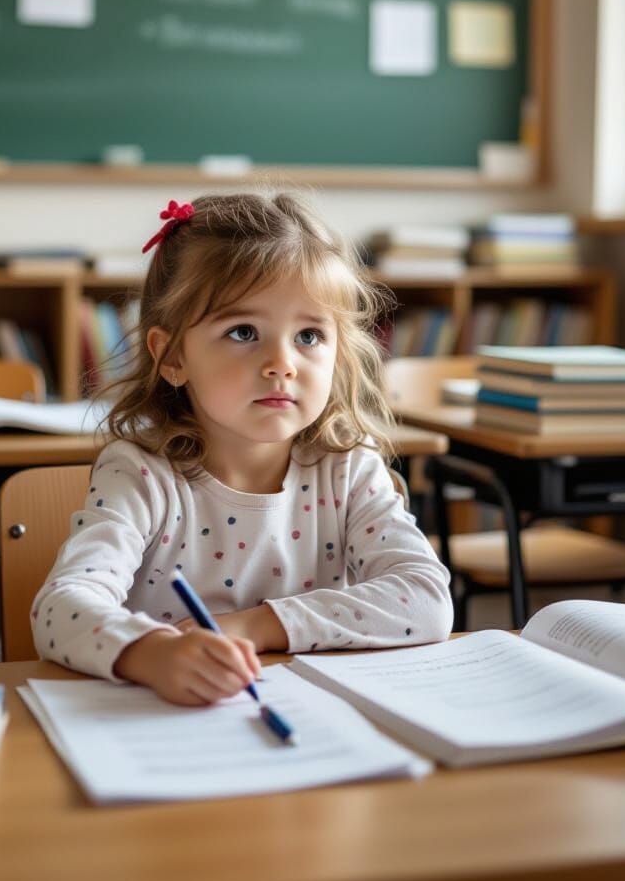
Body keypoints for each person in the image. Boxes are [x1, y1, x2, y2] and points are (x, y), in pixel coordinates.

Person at [32, 192, 453, 705]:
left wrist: (254, 626)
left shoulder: (348, 470)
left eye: (310, 336)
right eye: (244, 331)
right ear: (171, 356)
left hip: (313, 714)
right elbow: (60, 608)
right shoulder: (142, 475)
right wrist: (151, 652)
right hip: (171, 722)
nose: (283, 363)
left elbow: (428, 600)